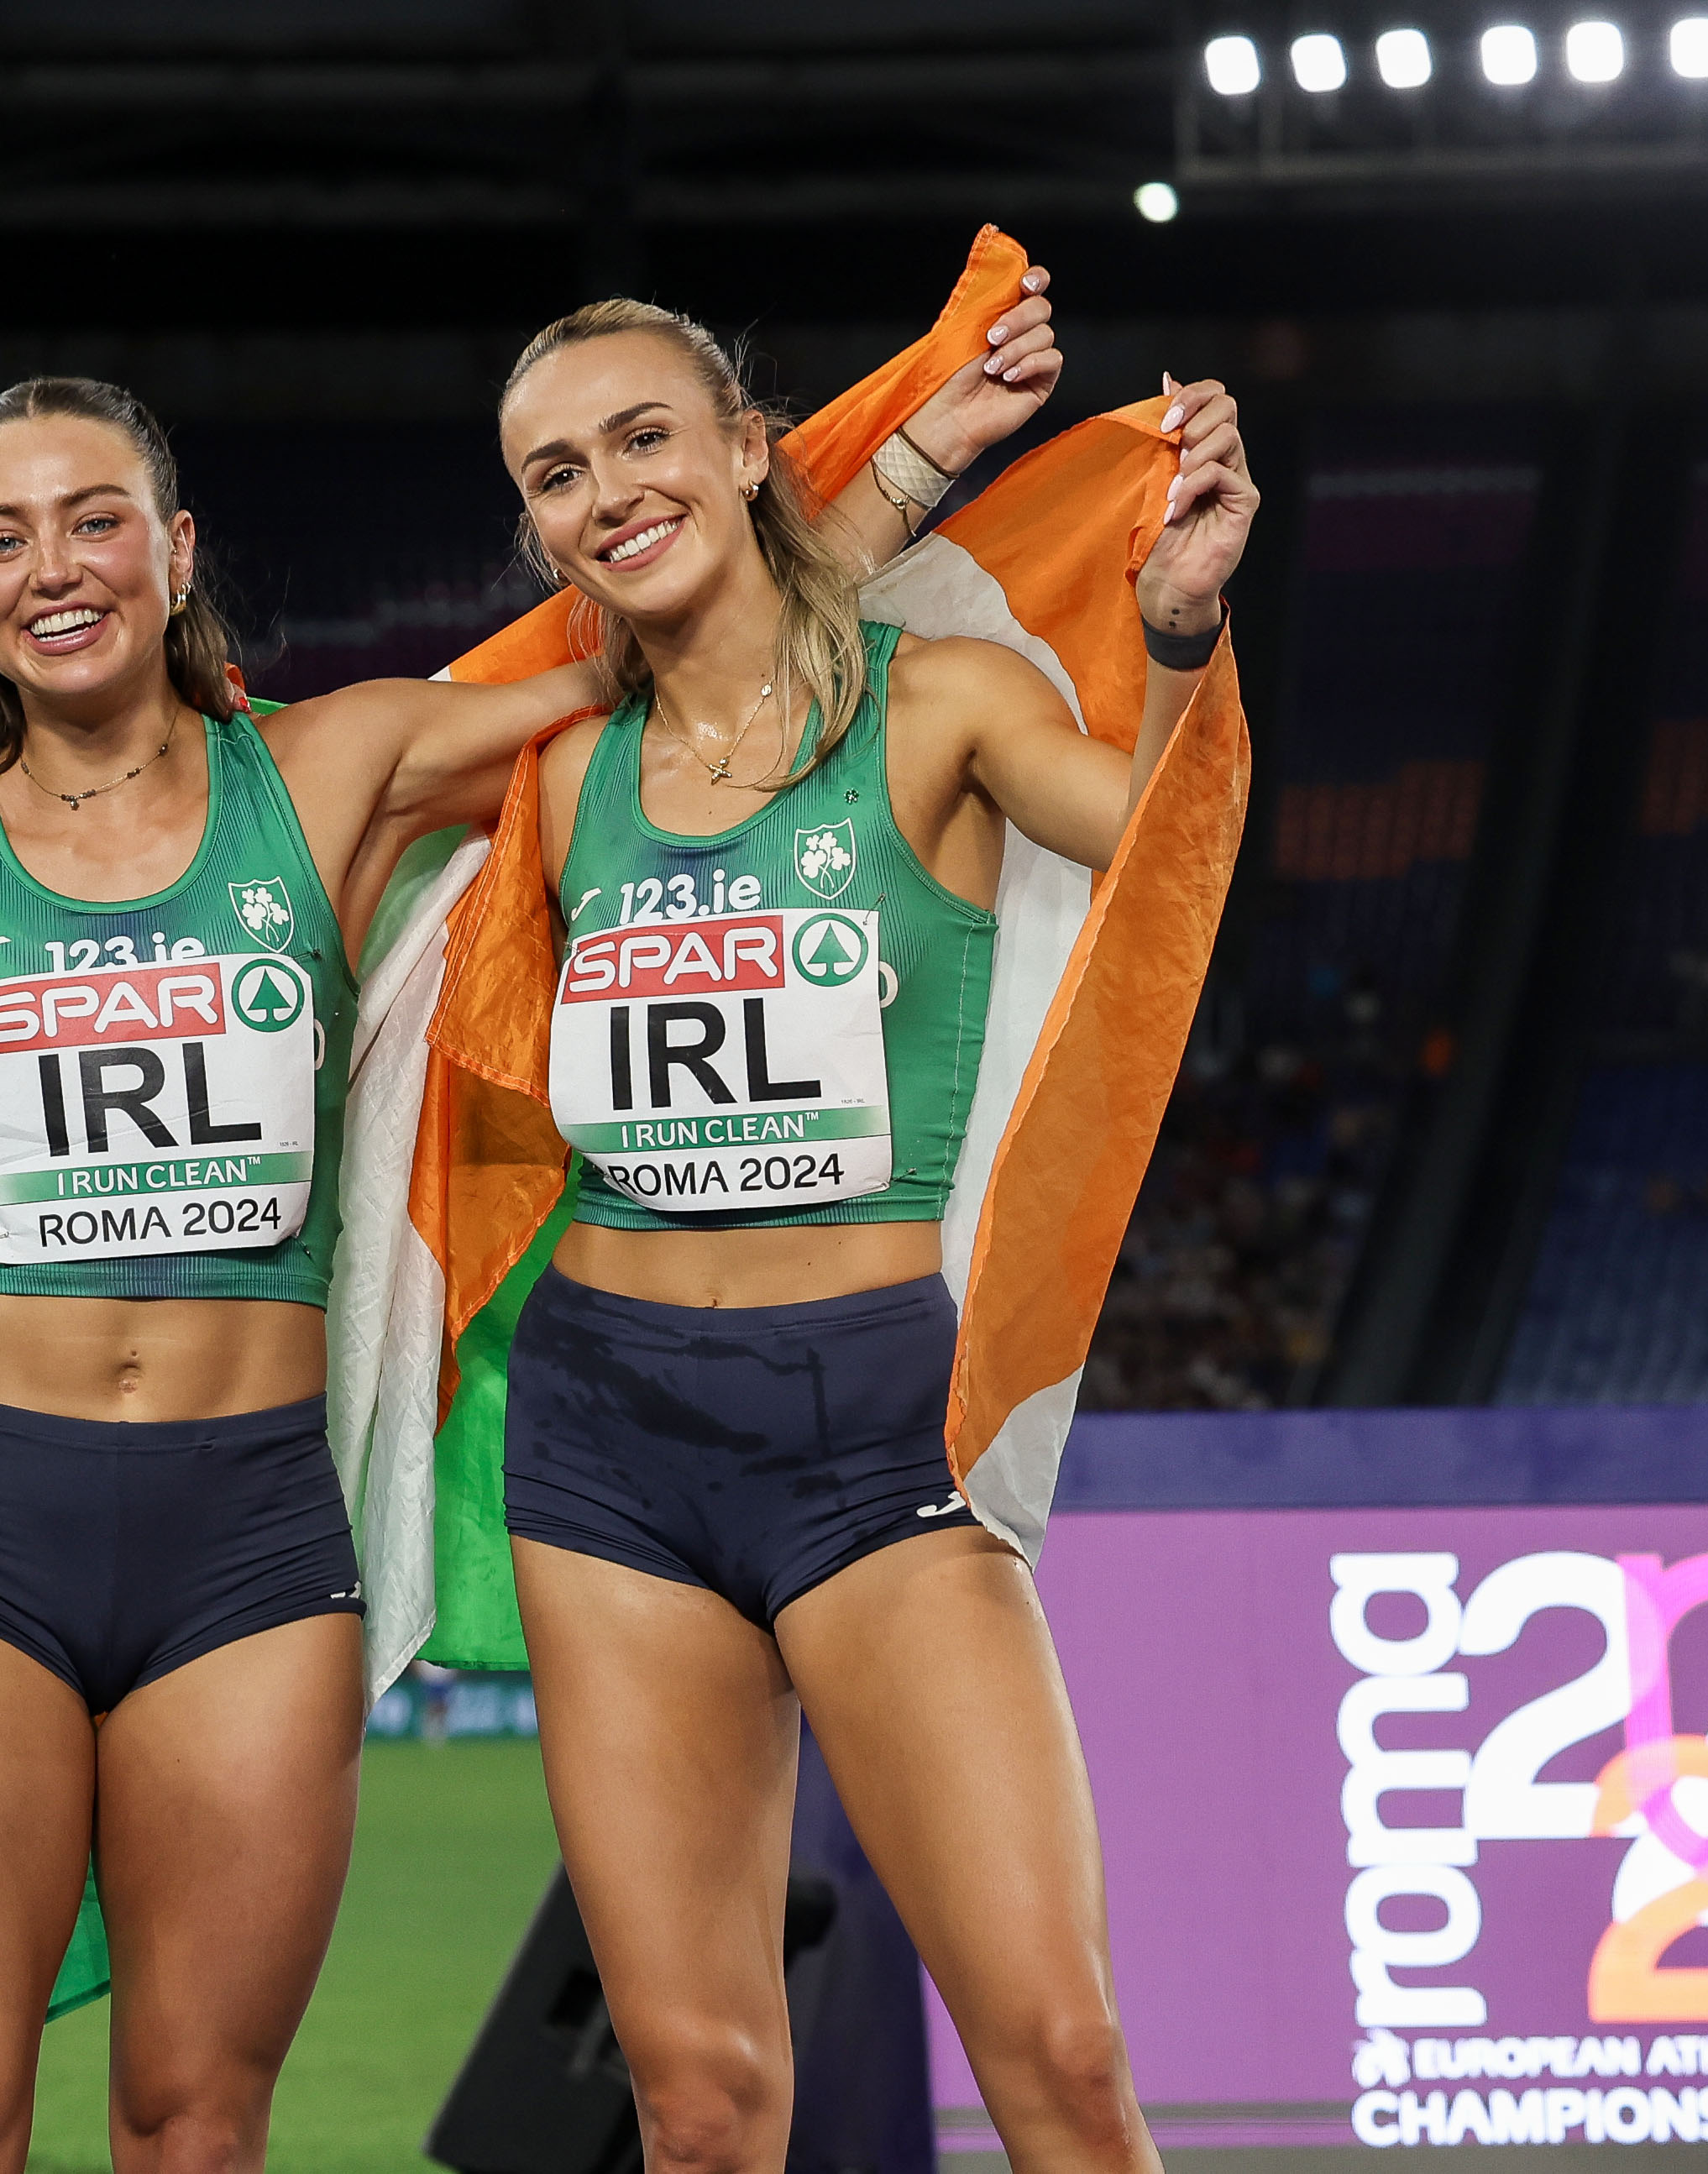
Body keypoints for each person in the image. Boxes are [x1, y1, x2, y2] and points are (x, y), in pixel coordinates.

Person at [0, 273, 1059, 2173]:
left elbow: (675, 637)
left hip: (246, 1537)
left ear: (174, 551)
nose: (52, 568)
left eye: (95, 522)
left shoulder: (330, 769)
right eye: (1, 537)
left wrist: (901, 466)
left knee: (193, 2121)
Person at [496, 301, 1252, 2174]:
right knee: (700, 2097)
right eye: (557, 472)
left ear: (752, 443)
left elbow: (1160, 852)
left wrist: (1179, 633)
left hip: (869, 1431)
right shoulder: (555, 764)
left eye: (646, 436)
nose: (609, 491)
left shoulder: (944, 703)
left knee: (1064, 2059)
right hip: (605, 1435)